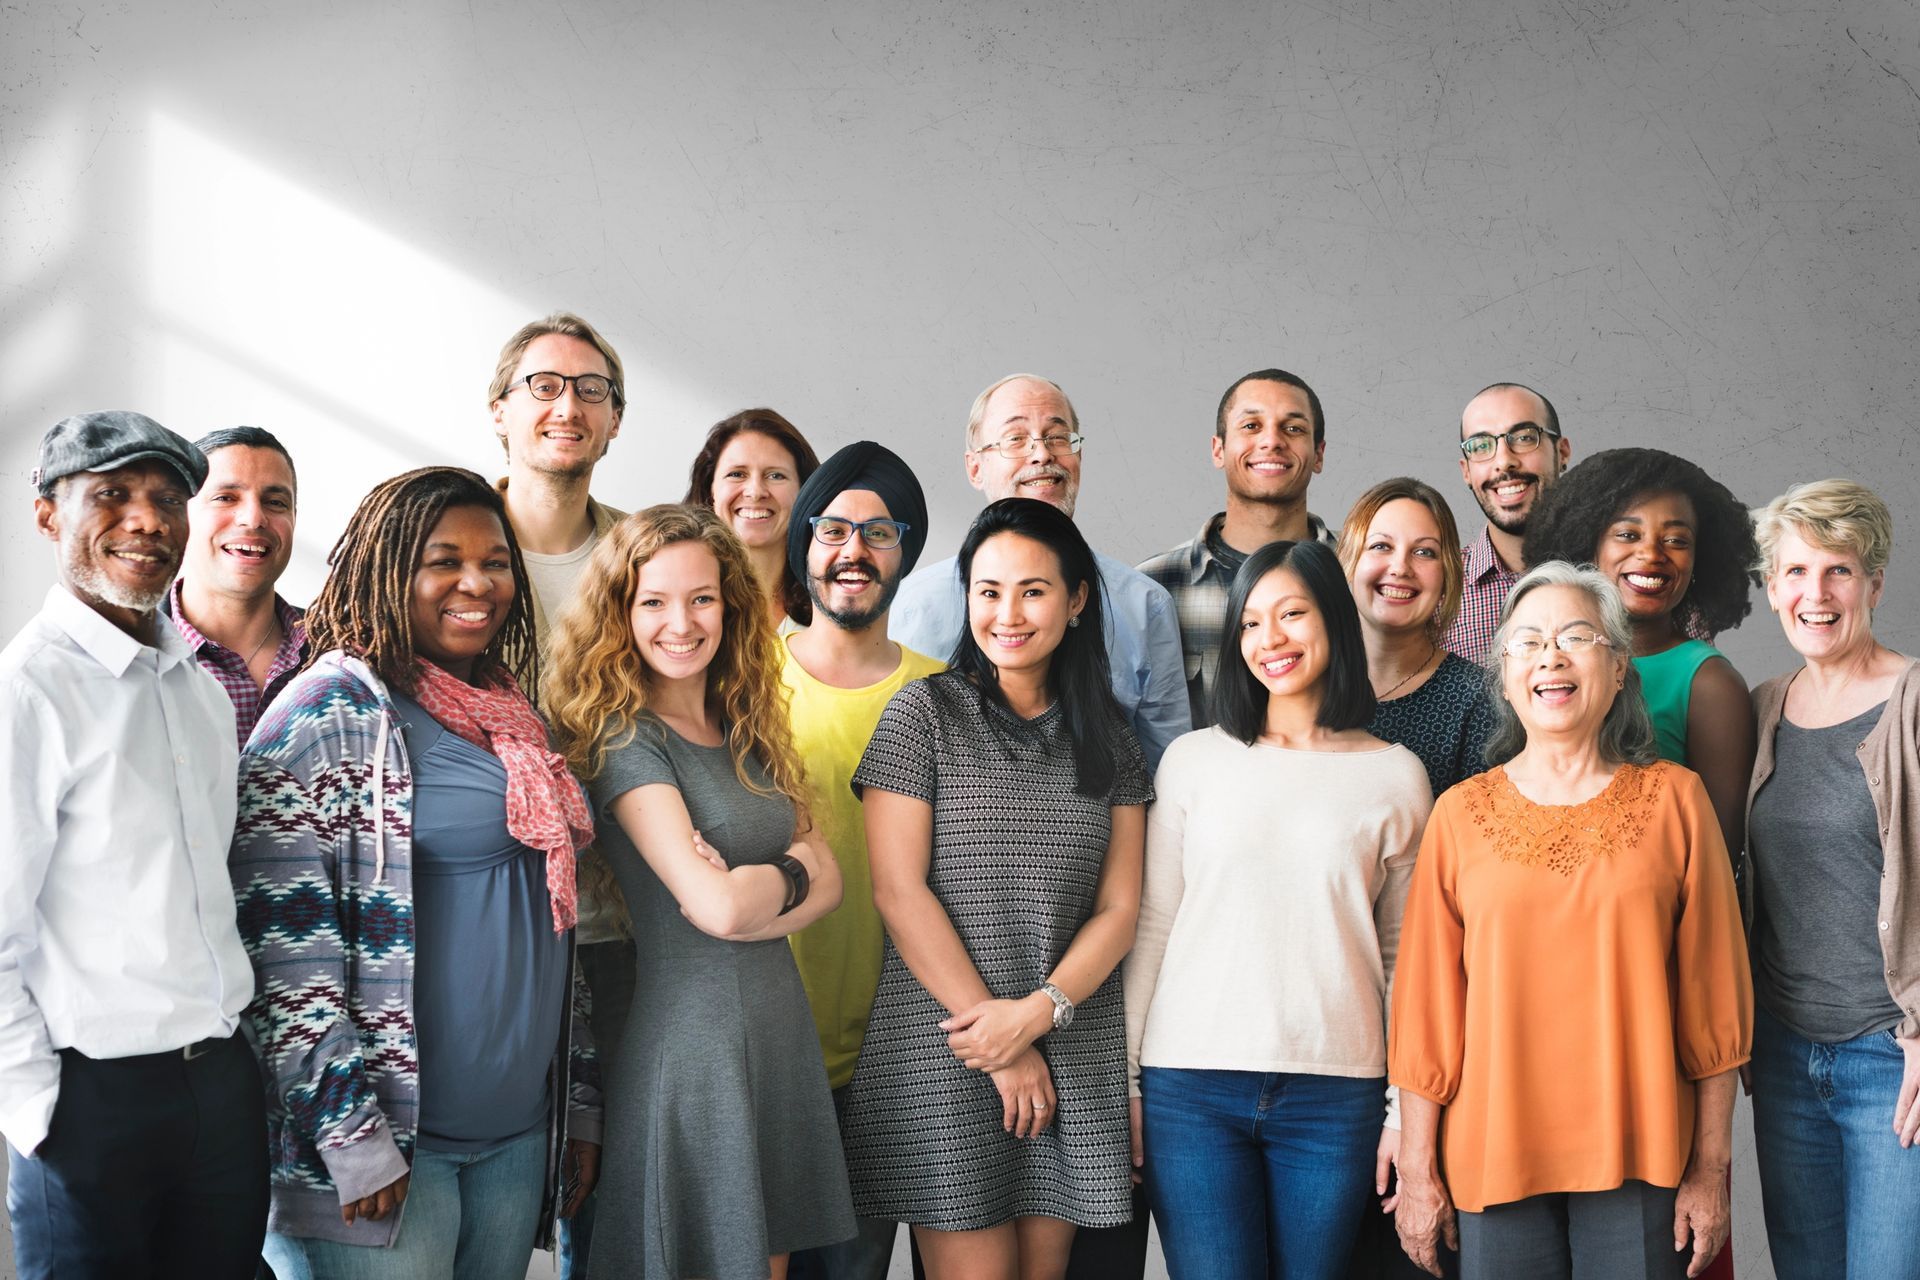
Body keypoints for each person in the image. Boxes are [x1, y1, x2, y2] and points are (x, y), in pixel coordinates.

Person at [234, 467, 600, 1280]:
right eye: (444, 560)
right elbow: (282, 960)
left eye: (496, 561)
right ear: (386, 568)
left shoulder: (510, 714)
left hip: (513, 1140)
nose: (478, 583)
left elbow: (554, 919)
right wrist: (350, 1137)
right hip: (390, 1158)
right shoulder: (327, 717)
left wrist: (575, 1103)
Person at [1390, 562, 1752, 1280]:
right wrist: (1418, 1170)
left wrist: (1713, 1170)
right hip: (1493, 1156)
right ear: (1504, 676)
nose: (1550, 656)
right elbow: (1429, 1012)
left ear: (1618, 669)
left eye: (1575, 636)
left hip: (1643, 1153)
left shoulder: (1677, 802)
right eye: (1526, 642)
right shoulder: (1459, 814)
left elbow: (1716, 1004)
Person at [842, 497, 1150, 1280]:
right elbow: (898, 891)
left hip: (1067, 1041)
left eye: (1033, 590)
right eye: (988, 590)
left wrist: (1038, 1015)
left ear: (1077, 600)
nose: (1007, 613)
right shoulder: (924, 714)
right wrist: (1000, 1043)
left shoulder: (1111, 737)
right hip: (949, 1044)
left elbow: (1119, 910)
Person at [544, 503, 855, 1278]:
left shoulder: (747, 720)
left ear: (730, 604)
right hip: (693, 1044)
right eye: (653, 601)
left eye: (701, 599)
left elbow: (835, 882)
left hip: (779, 1032)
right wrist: (789, 872)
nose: (680, 623)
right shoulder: (624, 737)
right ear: (621, 613)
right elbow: (717, 908)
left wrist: (767, 887)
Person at [1, 412, 266, 1279]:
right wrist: (39, 1113)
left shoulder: (197, 688)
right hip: (92, 1103)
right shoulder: (27, 692)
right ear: (48, 515)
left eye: (166, 499)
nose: (147, 520)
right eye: (111, 496)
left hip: (220, 1092)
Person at [1126, 539, 1432, 1279]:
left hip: (1337, 1093)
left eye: (1292, 614)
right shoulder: (1193, 761)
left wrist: (1401, 1112)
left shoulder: (1396, 777)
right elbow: (1155, 924)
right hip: (1189, 1088)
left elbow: (1406, 963)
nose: (1272, 640)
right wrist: (1129, 1082)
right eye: (1252, 623)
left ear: (1332, 618)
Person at [1742, 479, 1920, 1279]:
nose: (1815, 594)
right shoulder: (1764, 706)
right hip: (1783, 1055)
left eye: (1838, 571)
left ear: (1874, 582)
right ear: (1772, 587)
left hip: (1894, 1058)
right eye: (1795, 571)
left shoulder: (1913, 700)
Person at [487, 311, 630, 1276]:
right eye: (543, 385)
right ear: (499, 412)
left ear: (615, 421)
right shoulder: (446, 541)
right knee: (479, 1189)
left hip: (618, 926)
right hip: (483, 924)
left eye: (590, 389)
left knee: (604, 1190)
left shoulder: (644, 554)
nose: (566, 406)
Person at [780, 442, 945, 1280]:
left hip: (890, 1059)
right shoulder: (743, 680)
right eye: (834, 528)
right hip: (767, 1047)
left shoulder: (947, 694)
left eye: (878, 532)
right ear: (804, 544)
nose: (853, 550)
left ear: (905, 555)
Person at [890, 373, 1187, 775]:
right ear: (975, 467)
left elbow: (1164, 772)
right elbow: (899, 761)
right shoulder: (914, 603)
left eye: (1057, 437)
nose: (1041, 454)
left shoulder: (1144, 603)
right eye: (1015, 439)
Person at [1523, 448, 1758, 864]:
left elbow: (1718, 858)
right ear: (1589, 544)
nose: (1652, 553)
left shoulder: (1708, 683)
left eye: (1676, 540)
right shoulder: (1544, 667)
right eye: (1628, 535)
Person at [1140, 367, 1340, 728]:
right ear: (1219, 450)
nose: (1272, 441)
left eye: (1293, 428)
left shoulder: (1360, 572)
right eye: (1251, 426)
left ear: (1319, 453)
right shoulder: (1152, 589)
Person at [1337, 477, 1495, 799]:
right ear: (1349, 561)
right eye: (1381, 546)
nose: (1400, 567)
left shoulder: (1480, 701)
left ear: (1448, 574)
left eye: (1424, 552)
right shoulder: (1306, 682)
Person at [163, 425, 309, 747]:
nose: (253, 518)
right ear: (179, 514)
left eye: (275, 502)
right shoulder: (129, 653)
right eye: (225, 498)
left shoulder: (342, 650)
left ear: (294, 519)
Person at [1441, 383, 1571, 665]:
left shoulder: (1619, 574)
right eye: (1481, 446)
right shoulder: (1438, 595)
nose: (1504, 461)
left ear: (1562, 453)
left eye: (1524, 438)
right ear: (1466, 471)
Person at [684, 407, 823, 633]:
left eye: (776, 475)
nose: (756, 492)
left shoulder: (832, 600)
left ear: (804, 492)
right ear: (711, 490)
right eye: (737, 474)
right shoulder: (672, 599)